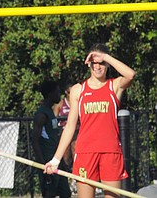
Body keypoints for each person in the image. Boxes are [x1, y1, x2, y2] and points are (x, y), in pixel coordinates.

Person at [44, 44, 136, 198]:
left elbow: (131, 75)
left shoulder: (114, 86)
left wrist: (105, 57)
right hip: (85, 153)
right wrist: (55, 159)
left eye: (102, 63)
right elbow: (70, 126)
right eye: (95, 62)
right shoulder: (78, 90)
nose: (98, 67)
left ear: (107, 64)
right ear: (88, 63)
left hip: (111, 152)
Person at [32, 80, 71, 198]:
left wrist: (62, 162)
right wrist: (42, 164)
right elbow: (35, 141)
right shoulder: (42, 115)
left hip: (56, 161)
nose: (60, 94)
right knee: (50, 194)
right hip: (47, 163)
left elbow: (54, 138)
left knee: (66, 193)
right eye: (57, 92)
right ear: (50, 94)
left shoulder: (51, 112)